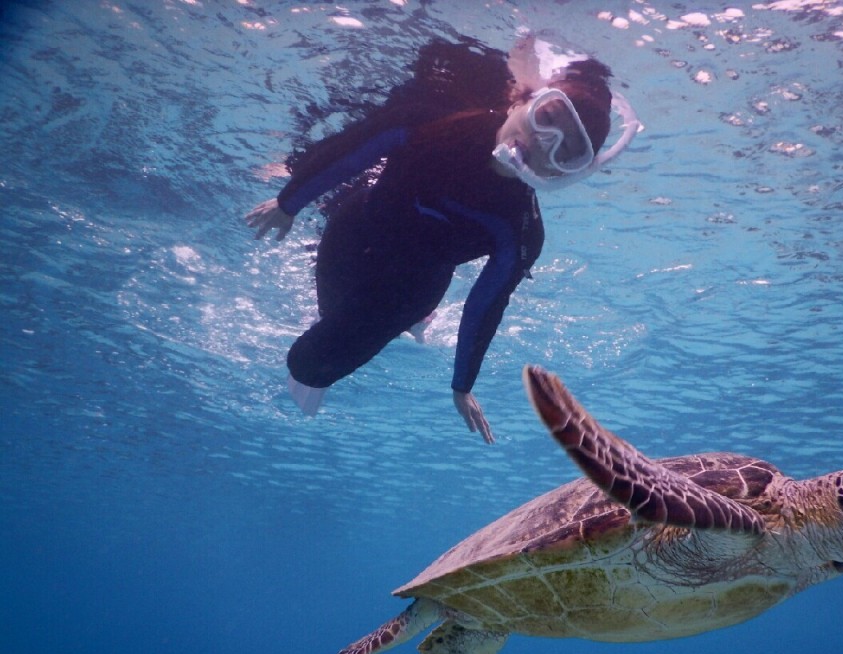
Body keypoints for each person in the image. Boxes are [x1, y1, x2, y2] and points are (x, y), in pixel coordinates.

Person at [246, 33, 640, 443]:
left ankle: (413, 320)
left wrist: (462, 384)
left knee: (308, 364)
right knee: (332, 321)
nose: (543, 140)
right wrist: (289, 203)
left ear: (566, 172)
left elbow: (486, 305)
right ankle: (396, 324)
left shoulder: (519, 227)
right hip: (352, 232)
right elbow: (354, 150)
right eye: (549, 116)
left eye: (566, 150)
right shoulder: (432, 121)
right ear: (523, 100)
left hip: (411, 292)